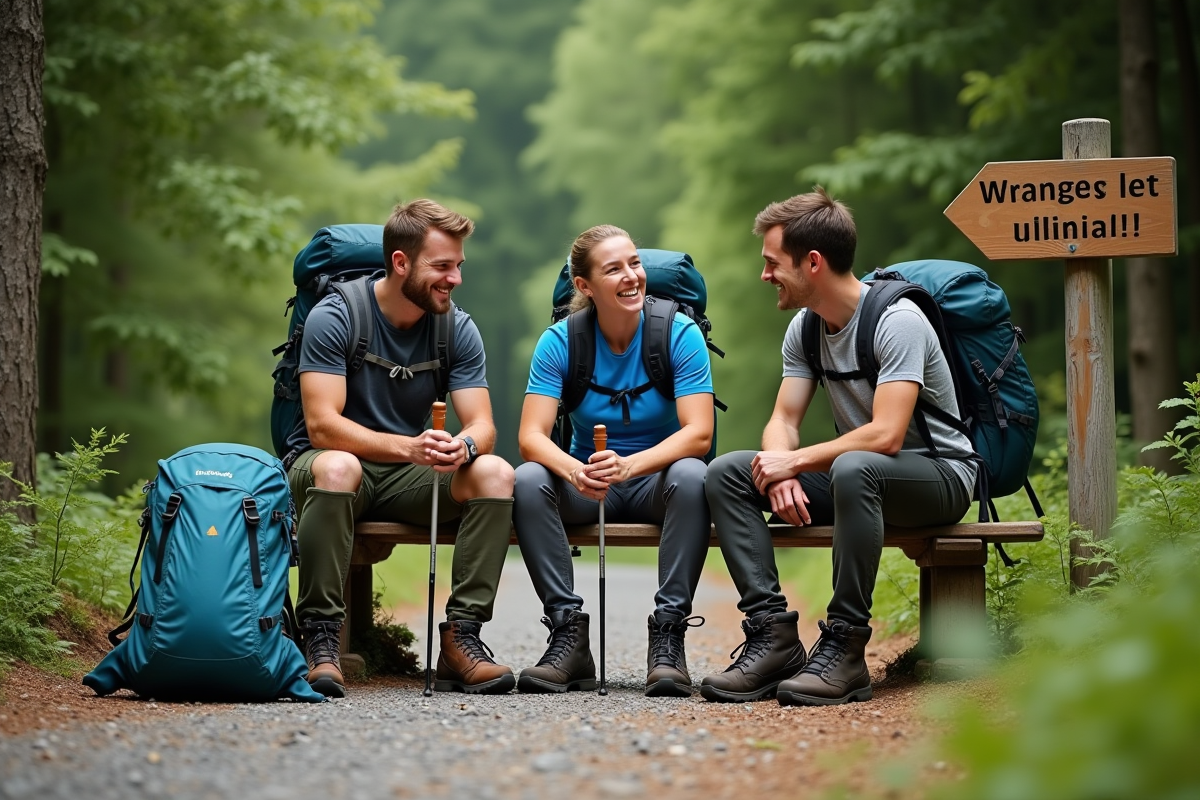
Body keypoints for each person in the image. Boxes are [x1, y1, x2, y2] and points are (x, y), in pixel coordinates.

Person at [700, 189, 976, 706]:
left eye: (771, 263)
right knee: (729, 472)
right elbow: (783, 419)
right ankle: (772, 638)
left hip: (941, 474)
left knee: (855, 467)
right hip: (863, 473)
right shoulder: (805, 328)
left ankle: (846, 649)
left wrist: (796, 461)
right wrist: (779, 471)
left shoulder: (898, 322)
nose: (765, 276)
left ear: (813, 262)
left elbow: (886, 434)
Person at [286, 199, 516, 698]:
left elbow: (483, 425)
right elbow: (322, 425)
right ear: (400, 262)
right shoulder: (338, 314)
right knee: (340, 467)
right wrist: (407, 446)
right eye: (442, 266)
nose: (454, 278)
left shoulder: (456, 327)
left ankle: (462, 640)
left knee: (495, 472)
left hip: (411, 473)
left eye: (458, 266)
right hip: (333, 466)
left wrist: (464, 446)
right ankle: (322, 640)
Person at [513, 225, 715, 697]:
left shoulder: (679, 333)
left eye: (635, 264)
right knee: (527, 479)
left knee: (692, 475)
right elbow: (530, 437)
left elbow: (699, 433)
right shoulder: (560, 341)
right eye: (614, 269)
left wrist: (631, 466)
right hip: (585, 485)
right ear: (584, 286)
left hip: (657, 485)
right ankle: (568, 636)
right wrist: (573, 470)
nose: (632, 277)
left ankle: (668, 635)